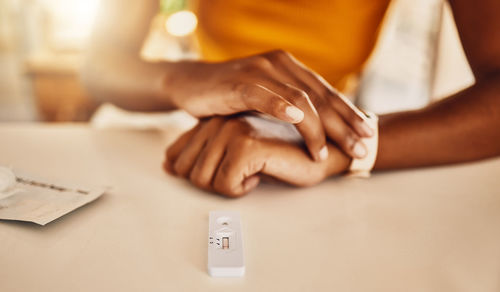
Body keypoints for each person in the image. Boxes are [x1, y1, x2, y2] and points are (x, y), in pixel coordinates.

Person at [83, 0, 500, 197]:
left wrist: (349, 149)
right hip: (190, 123)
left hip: (320, 145)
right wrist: (183, 78)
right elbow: (100, 62)